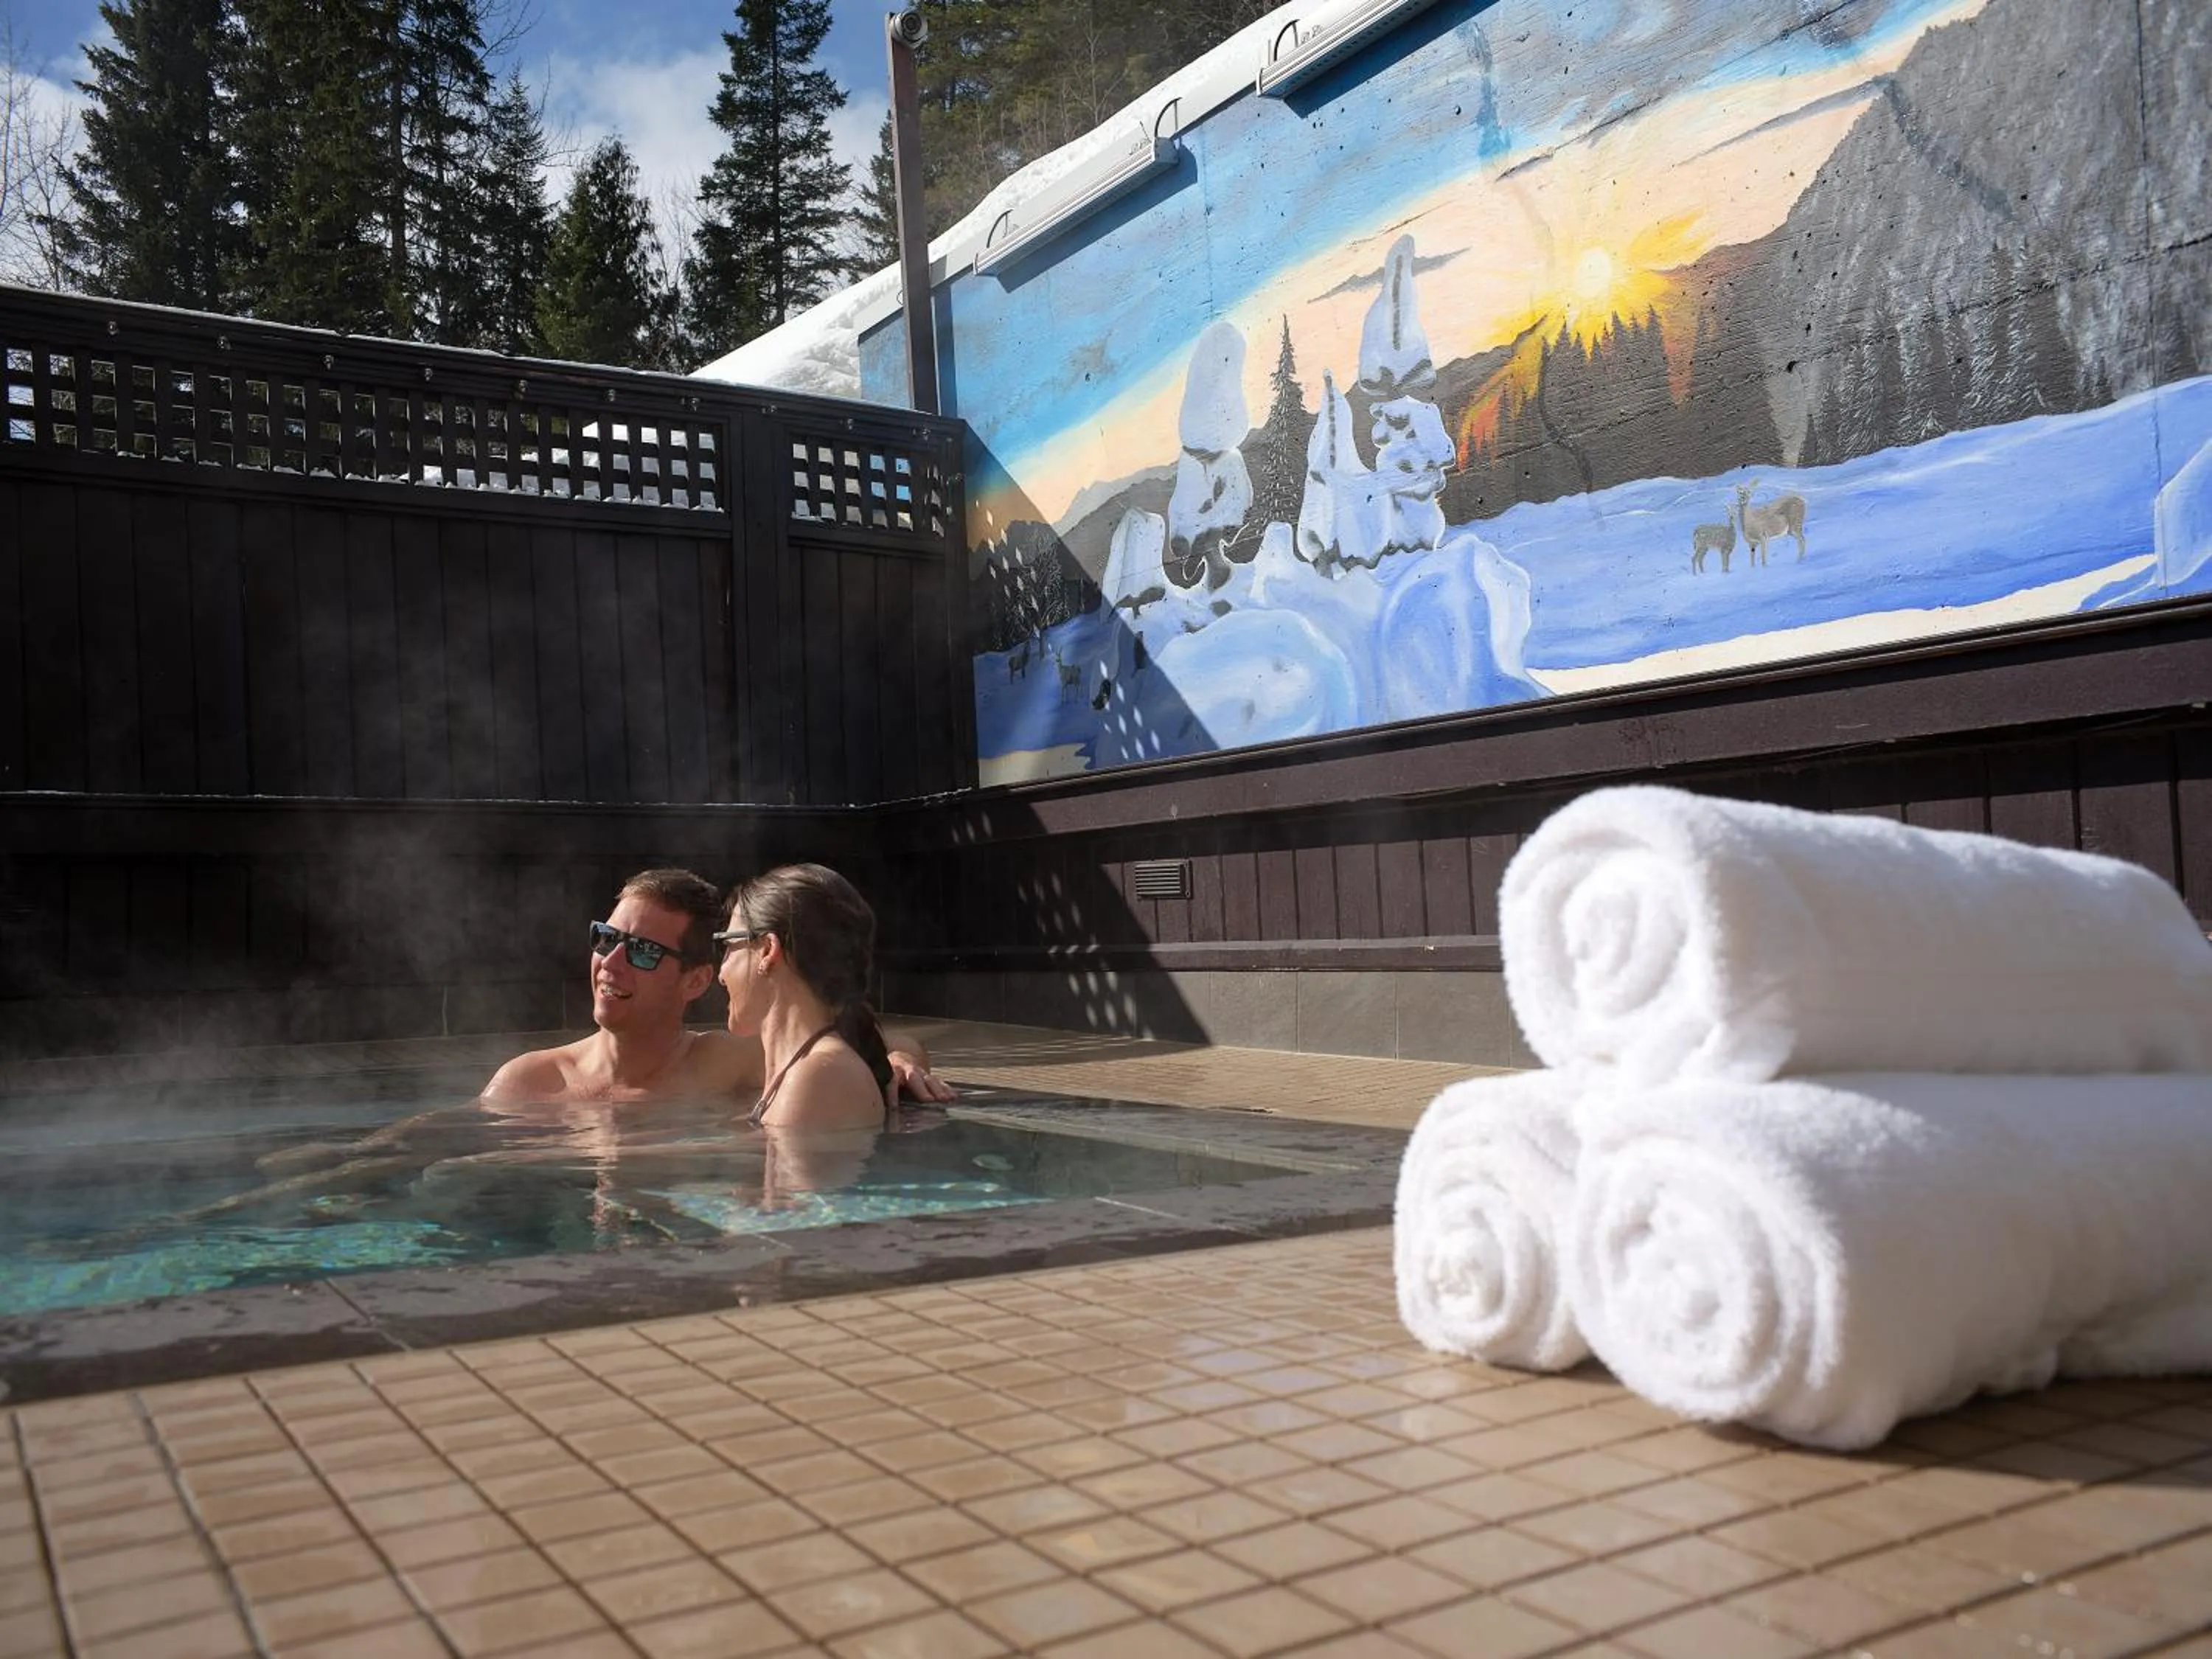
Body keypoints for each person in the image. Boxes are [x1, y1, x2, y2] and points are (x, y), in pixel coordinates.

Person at [482, 867, 951, 1108]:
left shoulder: (723, 1064)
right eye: (606, 939)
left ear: (697, 979)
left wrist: (898, 1064)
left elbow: (881, 1043)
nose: (611, 962)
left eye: (642, 950)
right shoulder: (530, 1082)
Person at [715, 862, 913, 1131]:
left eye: (728, 946)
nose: (722, 973)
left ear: (767, 950)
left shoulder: (818, 1078)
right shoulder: (806, 1069)